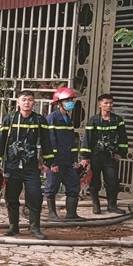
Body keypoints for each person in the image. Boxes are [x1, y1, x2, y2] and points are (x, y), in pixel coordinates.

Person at [0, 90, 54, 239]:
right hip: (12, 165)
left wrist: (49, 161)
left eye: (30, 100)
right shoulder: (10, 119)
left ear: (34, 103)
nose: (27, 103)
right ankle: (13, 226)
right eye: (23, 99)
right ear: (18, 102)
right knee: (11, 196)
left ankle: (35, 228)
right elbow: (1, 142)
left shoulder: (39, 120)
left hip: (31, 167)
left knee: (35, 195)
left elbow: (46, 142)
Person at [80, 93, 128, 214]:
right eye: (106, 103)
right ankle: (96, 206)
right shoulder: (93, 121)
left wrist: (121, 153)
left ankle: (112, 205)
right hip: (95, 156)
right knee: (95, 182)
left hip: (110, 156)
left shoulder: (118, 120)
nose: (108, 105)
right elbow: (87, 139)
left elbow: (123, 138)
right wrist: (85, 157)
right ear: (100, 104)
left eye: (110, 103)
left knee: (112, 181)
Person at [44, 86, 83, 221]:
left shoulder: (68, 119)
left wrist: (74, 160)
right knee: (52, 187)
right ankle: (52, 214)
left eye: (71, 100)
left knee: (73, 185)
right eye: (67, 100)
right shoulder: (52, 118)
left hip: (67, 161)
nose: (70, 103)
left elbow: (72, 142)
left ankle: (71, 214)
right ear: (59, 103)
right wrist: (52, 162)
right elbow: (50, 142)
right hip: (56, 161)